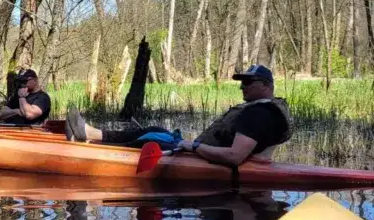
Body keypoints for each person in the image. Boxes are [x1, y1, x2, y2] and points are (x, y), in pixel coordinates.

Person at [66, 65, 294, 167]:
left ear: (265, 85)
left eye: (247, 82)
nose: (242, 87)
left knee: (152, 137)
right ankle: (90, 134)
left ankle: (93, 145)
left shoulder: (258, 114)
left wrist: (191, 147)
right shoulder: (265, 109)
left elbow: (234, 157)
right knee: (154, 130)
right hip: (205, 153)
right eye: (241, 82)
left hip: (208, 160)